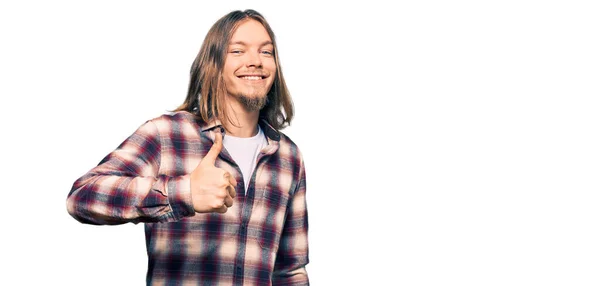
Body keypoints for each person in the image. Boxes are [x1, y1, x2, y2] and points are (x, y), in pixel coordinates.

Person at [66, 9, 309, 285]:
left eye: (266, 52)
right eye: (237, 51)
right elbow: (82, 197)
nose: (255, 62)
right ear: (213, 64)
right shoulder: (167, 135)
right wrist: (183, 193)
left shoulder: (288, 157)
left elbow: (290, 271)